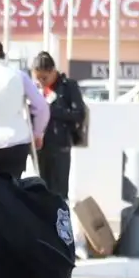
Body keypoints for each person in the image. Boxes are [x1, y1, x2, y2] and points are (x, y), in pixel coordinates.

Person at [0, 39, 49, 179]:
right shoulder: (18, 75)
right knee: (12, 187)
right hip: (17, 142)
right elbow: (41, 107)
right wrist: (37, 133)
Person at [30, 51, 86, 199]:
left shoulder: (68, 86)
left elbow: (79, 113)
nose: (41, 81)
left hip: (60, 144)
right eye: (37, 78)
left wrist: (50, 110)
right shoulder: (35, 89)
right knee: (41, 188)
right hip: (40, 145)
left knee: (59, 190)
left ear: (53, 71)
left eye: (44, 78)